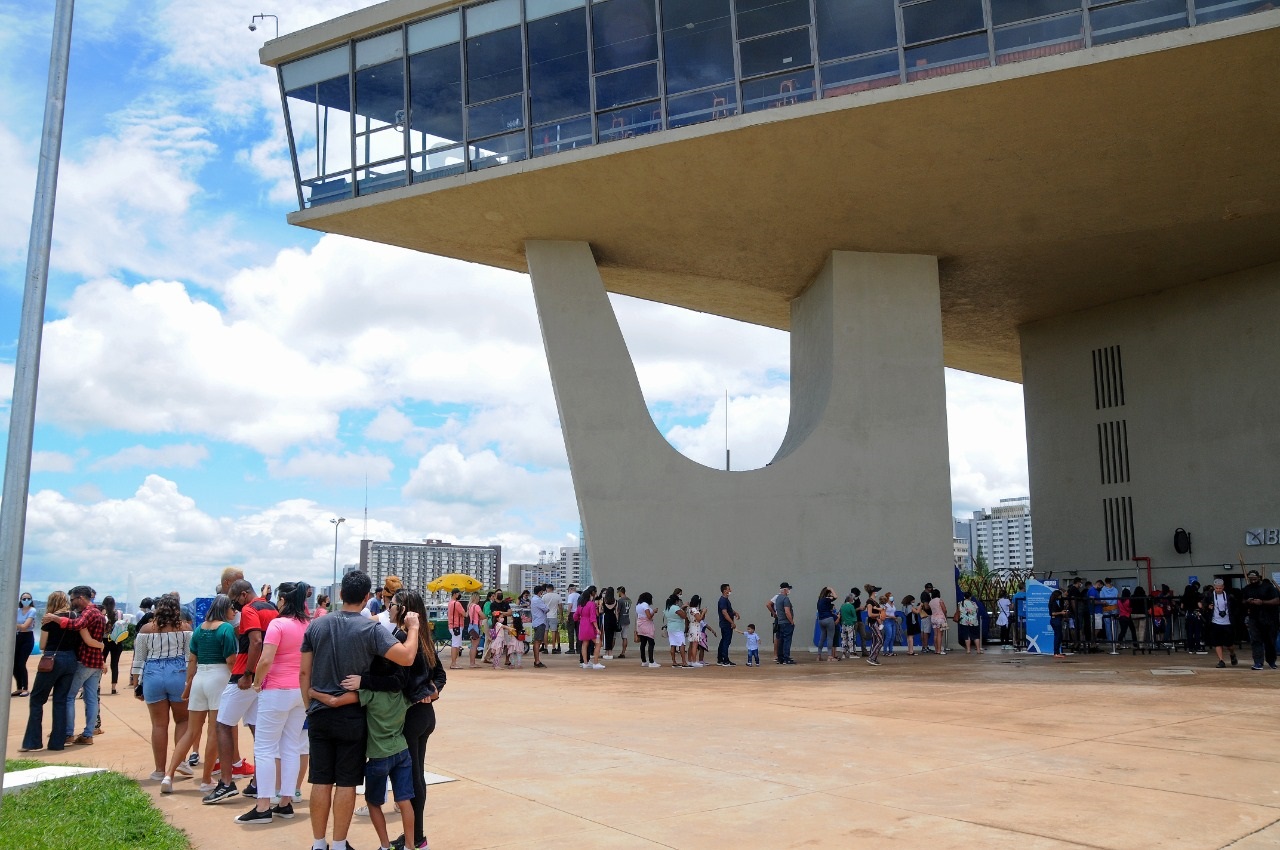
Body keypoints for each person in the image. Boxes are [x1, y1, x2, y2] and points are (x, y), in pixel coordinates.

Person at [300, 569, 420, 850]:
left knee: (320, 780)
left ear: (341, 593)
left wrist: (310, 707)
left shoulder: (316, 626)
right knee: (346, 782)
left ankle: (318, 843)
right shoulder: (370, 629)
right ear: (367, 597)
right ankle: (339, 844)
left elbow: (304, 673)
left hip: (319, 712)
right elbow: (406, 657)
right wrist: (414, 628)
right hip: (353, 715)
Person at [356, 588, 447, 850]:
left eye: (393, 604)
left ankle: (416, 838)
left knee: (412, 780)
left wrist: (364, 681)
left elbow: (396, 681)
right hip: (424, 716)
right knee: (416, 775)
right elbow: (439, 675)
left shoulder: (401, 639)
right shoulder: (423, 638)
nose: (389, 608)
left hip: (411, 717)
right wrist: (431, 690)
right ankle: (415, 835)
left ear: (403, 610)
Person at [230, 582, 311, 823]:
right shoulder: (308, 625)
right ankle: (285, 802)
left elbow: (265, 660)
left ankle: (263, 806)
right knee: (291, 746)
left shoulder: (278, 624)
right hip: (299, 691)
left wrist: (257, 682)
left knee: (265, 748)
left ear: (283, 600)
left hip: (276, 689)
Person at [204, 580, 278, 804]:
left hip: (245, 674)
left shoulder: (249, 609)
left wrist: (248, 674)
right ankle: (258, 783)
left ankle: (226, 783)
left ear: (244, 595)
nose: (234, 607)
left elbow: (255, 642)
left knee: (223, 724)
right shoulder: (271, 608)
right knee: (258, 728)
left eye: (234, 601)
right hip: (265, 675)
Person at [164, 593, 236, 795]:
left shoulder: (199, 629)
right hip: (219, 678)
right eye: (232, 608)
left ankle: (168, 775)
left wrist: (188, 684)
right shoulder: (226, 629)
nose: (234, 611)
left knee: (191, 731)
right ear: (225, 609)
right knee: (215, 731)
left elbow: (192, 660)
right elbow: (231, 660)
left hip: (199, 679)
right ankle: (206, 779)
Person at [133, 595, 193, 779]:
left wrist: (136, 684)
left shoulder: (146, 629)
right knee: (182, 720)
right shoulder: (185, 628)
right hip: (178, 673)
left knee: (159, 724)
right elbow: (191, 658)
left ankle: (159, 770)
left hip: (153, 674)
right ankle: (180, 761)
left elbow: (139, 659)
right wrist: (190, 681)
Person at [19, 591, 80, 752]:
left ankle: (32, 742)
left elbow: (43, 645)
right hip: (71, 659)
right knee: (60, 700)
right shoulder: (74, 616)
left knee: (37, 699)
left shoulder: (49, 619)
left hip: (52, 659)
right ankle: (57, 742)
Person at [45, 585, 107, 745]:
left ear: (81, 598)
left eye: (72, 599)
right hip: (96, 662)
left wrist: (55, 618)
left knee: (69, 696)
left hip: (84, 660)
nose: (71, 602)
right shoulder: (99, 613)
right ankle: (88, 734)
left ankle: (68, 733)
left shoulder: (88, 612)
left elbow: (76, 625)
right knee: (91, 698)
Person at [1241, 570, 1278, 670]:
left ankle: (1271, 661)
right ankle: (1258, 662)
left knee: (1270, 641)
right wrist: (1248, 601)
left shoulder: (1268, 587)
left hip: (1269, 618)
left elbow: (1277, 600)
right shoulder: (1247, 589)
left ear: (1259, 578)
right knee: (1255, 640)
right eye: (1251, 579)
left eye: (1254, 579)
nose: (1253, 581)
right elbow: (1242, 601)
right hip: (1254, 618)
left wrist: (1262, 602)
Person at [101, 595, 127, 695]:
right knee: (114, 664)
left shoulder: (102, 614)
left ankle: (97, 685)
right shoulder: (119, 613)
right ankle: (113, 688)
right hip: (117, 640)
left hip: (104, 641)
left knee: (100, 663)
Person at [13, 591, 37, 697]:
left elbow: (25, 626)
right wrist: (19, 626)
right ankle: (19, 687)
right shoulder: (17, 610)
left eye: (28, 599)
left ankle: (25, 688)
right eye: (24, 599)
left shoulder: (32, 610)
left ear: (31, 600)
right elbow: (21, 626)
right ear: (20, 600)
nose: (26, 600)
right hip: (17, 637)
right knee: (14, 664)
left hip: (27, 638)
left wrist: (15, 624)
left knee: (21, 663)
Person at [576, 586, 604, 669]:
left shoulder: (580, 605)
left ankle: (585, 663)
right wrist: (597, 628)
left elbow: (575, 616)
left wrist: (580, 619)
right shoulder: (591, 604)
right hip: (590, 626)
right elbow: (593, 618)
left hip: (582, 625)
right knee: (598, 643)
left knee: (585, 644)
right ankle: (596, 662)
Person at [716, 584, 739, 666]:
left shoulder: (726, 600)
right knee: (726, 641)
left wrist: (735, 613)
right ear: (724, 590)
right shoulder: (723, 600)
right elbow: (724, 613)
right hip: (726, 624)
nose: (730, 590)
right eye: (729, 589)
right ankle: (725, 660)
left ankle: (720, 659)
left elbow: (729, 610)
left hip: (725, 624)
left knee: (723, 640)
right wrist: (732, 622)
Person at [665, 591, 689, 668]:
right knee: (681, 644)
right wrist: (684, 609)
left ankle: (674, 661)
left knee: (673, 644)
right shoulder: (675, 608)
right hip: (678, 628)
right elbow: (684, 616)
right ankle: (684, 662)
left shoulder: (667, 608)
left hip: (670, 628)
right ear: (676, 601)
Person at [634, 591, 658, 668]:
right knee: (651, 643)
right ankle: (651, 661)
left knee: (643, 643)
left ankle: (644, 661)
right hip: (647, 625)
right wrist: (653, 611)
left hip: (640, 625)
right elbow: (649, 616)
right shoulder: (645, 605)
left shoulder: (638, 605)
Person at [863, 586, 885, 666]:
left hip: (876, 622)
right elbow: (870, 614)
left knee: (875, 640)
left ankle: (873, 658)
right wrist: (879, 615)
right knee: (880, 640)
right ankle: (872, 657)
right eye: (876, 591)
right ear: (873, 592)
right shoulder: (870, 602)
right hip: (873, 623)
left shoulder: (874, 602)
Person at [774, 582, 796, 664]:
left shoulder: (778, 598)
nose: (789, 590)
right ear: (785, 590)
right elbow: (787, 611)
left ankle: (780, 658)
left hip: (780, 622)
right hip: (786, 623)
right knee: (787, 640)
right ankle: (786, 658)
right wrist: (791, 621)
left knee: (781, 640)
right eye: (788, 589)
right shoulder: (785, 599)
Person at [528, 586, 549, 669]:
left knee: (537, 641)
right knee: (537, 642)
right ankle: (537, 661)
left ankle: (537, 660)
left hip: (537, 622)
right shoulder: (538, 600)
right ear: (540, 592)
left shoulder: (533, 599)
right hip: (540, 622)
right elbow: (546, 609)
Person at [447, 589, 467, 670]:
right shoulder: (457, 603)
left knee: (456, 644)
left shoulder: (450, 603)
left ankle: (454, 663)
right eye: (458, 594)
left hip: (452, 625)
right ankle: (453, 663)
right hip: (457, 626)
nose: (459, 595)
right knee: (455, 645)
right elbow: (464, 614)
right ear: (455, 594)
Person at [686, 594, 706, 667]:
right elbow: (699, 619)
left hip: (692, 626)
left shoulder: (689, 609)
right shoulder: (694, 610)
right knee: (695, 644)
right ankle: (694, 661)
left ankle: (689, 660)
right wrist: (703, 612)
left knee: (691, 645)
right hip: (695, 627)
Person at [600, 587, 620, 659]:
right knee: (611, 636)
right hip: (613, 618)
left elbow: (601, 611)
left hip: (606, 618)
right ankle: (610, 652)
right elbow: (617, 613)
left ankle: (607, 652)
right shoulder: (615, 601)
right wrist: (617, 621)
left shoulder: (603, 600)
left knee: (606, 635)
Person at [543, 584, 562, 654]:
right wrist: (561, 616)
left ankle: (546, 648)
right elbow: (560, 607)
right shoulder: (557, 596)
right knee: (554, 631)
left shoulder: (544, 596)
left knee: (545, 631)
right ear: (553, 589)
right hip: (553, 616)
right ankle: (554, 648)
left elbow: (542, 606)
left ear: (547, 589)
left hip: (545, 615)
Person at [928, 590, 949, 655]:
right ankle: (939, 650)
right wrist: (945, 616)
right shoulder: (940, 600)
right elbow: (944, 610)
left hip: (933, 618)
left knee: (935, 634)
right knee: (940, 634)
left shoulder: (930, 602)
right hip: (941, 618)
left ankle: (936, 650)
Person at [1049, 588, 1068, 658]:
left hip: (1057, 620)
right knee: (1057, 636)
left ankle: (1057, 652)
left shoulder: (1055, 602)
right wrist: (1061, 613)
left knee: (1059, 636)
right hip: (1055, 620)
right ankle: (1056, 652)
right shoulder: (1053, 603)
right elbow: (1053, 613)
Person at [467, 592, 484, 668]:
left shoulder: (470, 606)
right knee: (475, 646)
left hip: (470, 626)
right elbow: (483, 615)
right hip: (475, 626)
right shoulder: (476, 606)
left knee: (472, 645)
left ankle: (472, 662)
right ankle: (472, 663)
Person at [616, 586, 632, 660]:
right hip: (627, 619)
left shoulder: (620, 601)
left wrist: (616, 620)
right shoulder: (629, 600)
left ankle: (609, 652)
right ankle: (623, 652)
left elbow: (618, 611)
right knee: (624, 637)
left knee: (614, 636)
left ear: (620, 592)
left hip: (621, 620)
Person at [565, 584, 581, 655]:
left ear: (570, 589)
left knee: (571, 632)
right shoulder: (579, 595)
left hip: (572, 614)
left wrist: (567, 615)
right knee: (578, 632)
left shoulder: (571, 596)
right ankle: (579, 648)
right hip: (578, 614)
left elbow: (570, 605)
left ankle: (571, 649)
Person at [882, 592, 899, 656]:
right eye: (890, 596)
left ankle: (890, 651)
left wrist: (894, 617)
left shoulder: (893, 604)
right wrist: (891, 616)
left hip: (893, 621)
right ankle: (885, 651)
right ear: (887, 597)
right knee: (888, 636)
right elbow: (883, 614)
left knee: (893, 636)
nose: (892, 597)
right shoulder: (886, 605)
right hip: (887, 620)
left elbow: (893, 612)